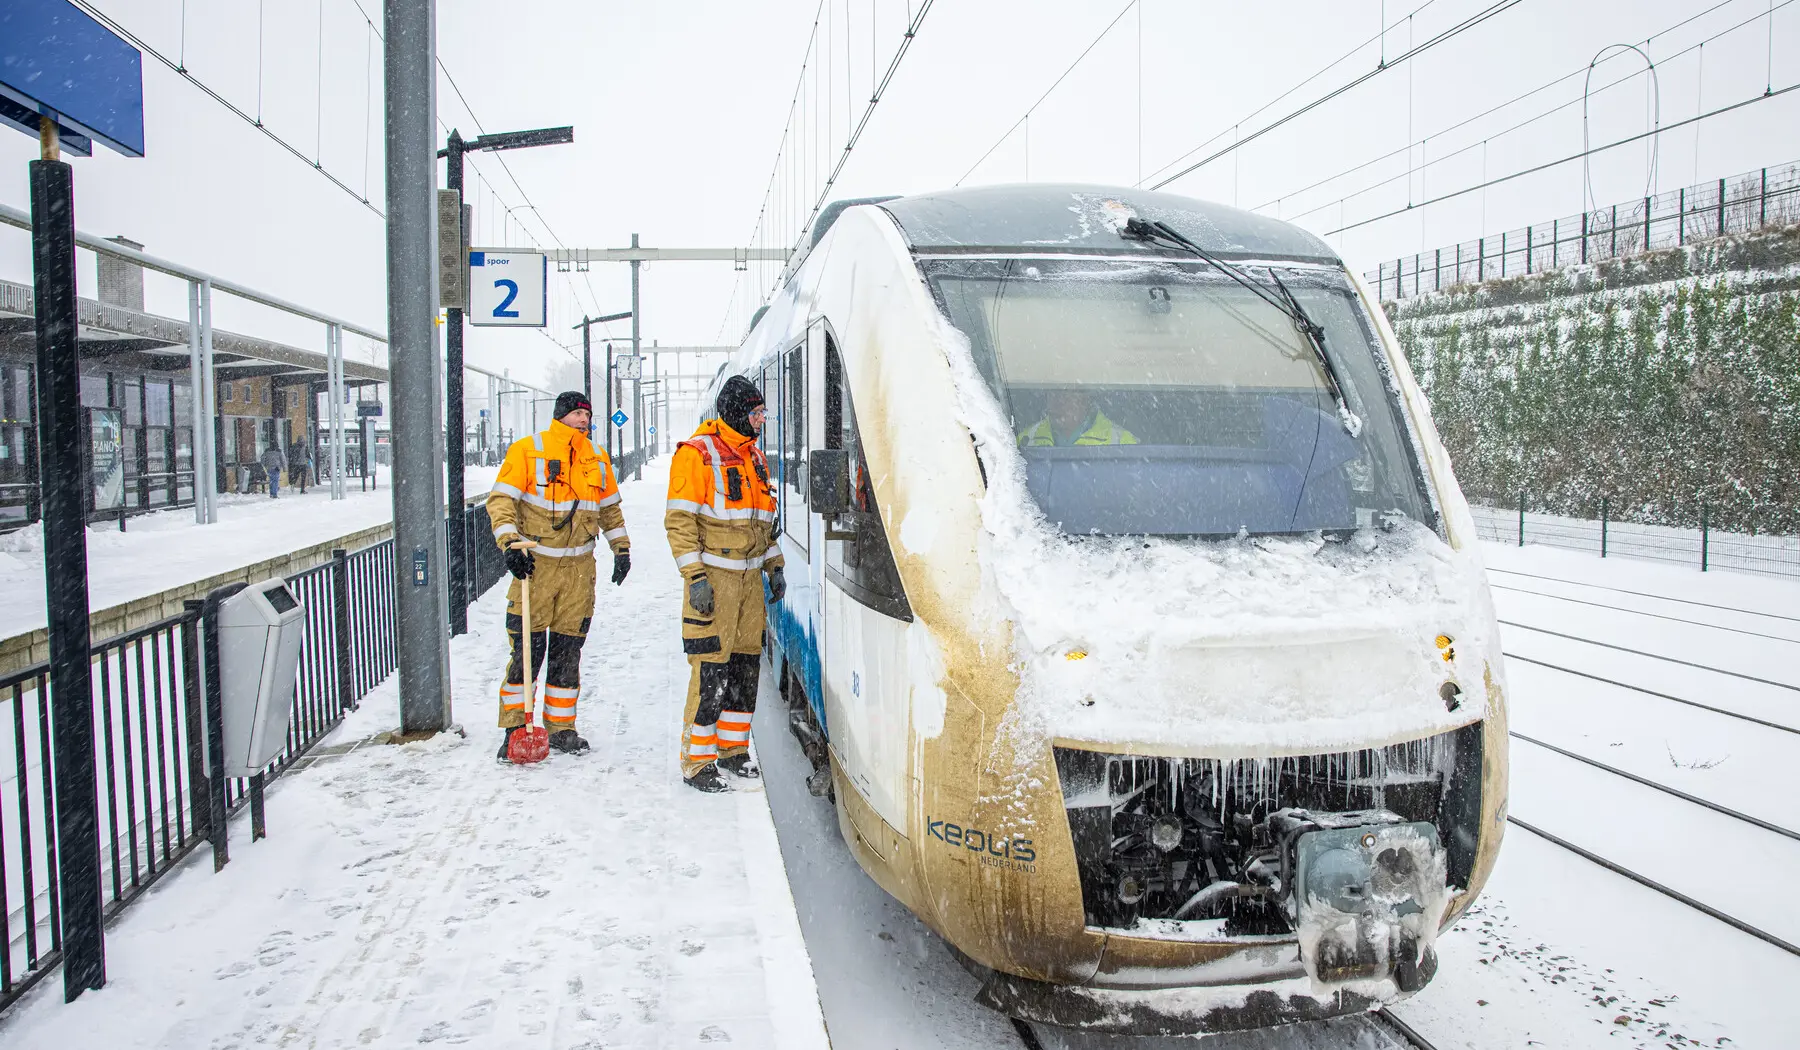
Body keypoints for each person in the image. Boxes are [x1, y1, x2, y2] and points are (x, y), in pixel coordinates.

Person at [487, 391, 631, 759]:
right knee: (527, 651)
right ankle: (515, 728)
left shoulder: (597, 459)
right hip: (535, 570)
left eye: (587, 413)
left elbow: (610, 510)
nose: (584, 419)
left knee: (568, 652)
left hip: (580, 573)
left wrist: (622, 549)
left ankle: (560, 727)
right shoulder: (527, 450)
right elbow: (501, 501)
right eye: (577, 413)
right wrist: (509, 544)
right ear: (561, 415)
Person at [665, 376, 783, 793]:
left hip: (750, 584)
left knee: (744, 670)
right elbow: (679, 522)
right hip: (715, 582)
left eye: (762, 413)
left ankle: (733, 751)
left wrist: (775, 565)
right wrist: (695, 577)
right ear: (736, 412)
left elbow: (763, 522)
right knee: (711, 670)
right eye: (755, 413)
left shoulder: (755, 458)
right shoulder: (696, 455)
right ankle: (697, 763)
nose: (760, 420)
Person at [1016, 389, 1138, 447]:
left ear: (1086, 400)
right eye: (1052, 394)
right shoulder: (1024, 440)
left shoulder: (1122, 441)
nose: (1057, 403)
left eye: (1065, 397)